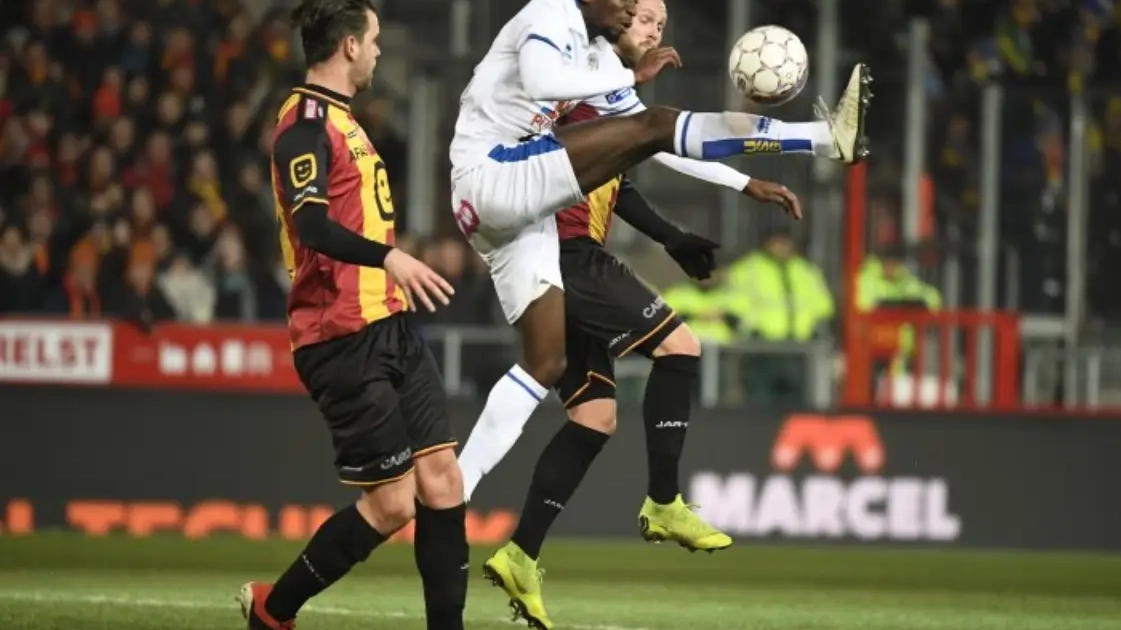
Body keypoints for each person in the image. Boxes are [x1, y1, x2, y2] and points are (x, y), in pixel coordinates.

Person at [450, 0, 871, 521]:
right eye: (635, 10)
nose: (635, 18)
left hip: (505, 213)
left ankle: (454, 489)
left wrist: (742, 182)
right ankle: (823, 138)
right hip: (499, 178)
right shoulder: (554, 17)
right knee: (664, 350)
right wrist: (628, 77)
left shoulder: (596, 64)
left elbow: (665, 143)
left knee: (545, 363)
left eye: (651, 18)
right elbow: (545, 83)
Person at [236, 2, 467, 629]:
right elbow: (312, 226)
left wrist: (389, 263)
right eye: (374, 39)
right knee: (393, 505)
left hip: (389, 323)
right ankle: (273, 611)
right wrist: (390, 256)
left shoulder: (344, 122)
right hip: (338, 334)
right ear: (348, 46)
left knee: (443, 481)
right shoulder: (303, 125)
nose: (379, 51)